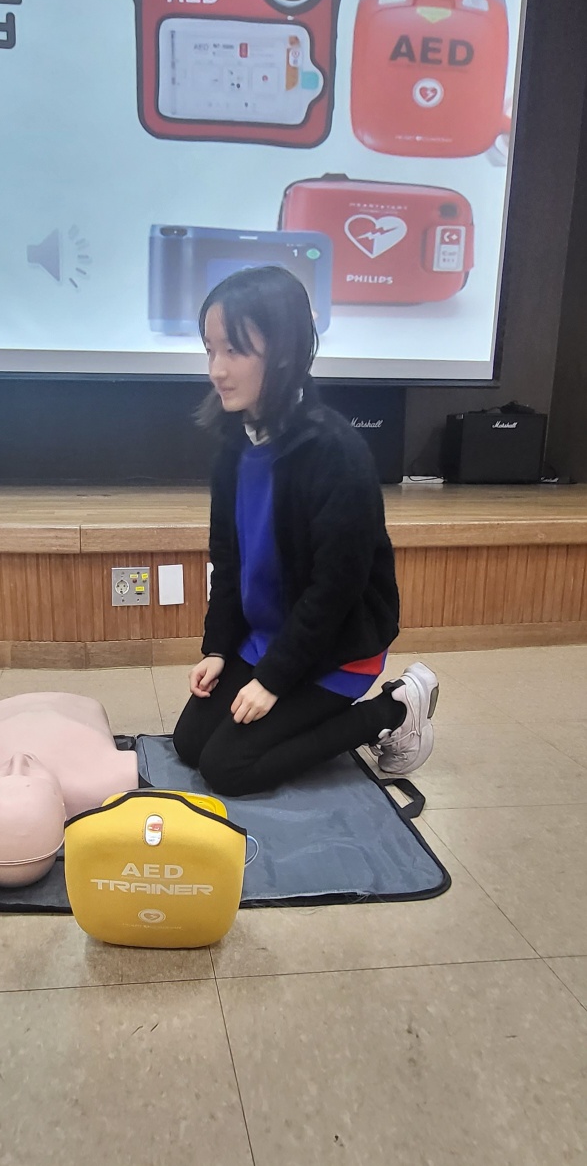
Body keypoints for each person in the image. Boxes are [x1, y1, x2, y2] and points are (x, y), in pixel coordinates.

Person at [173, 265, 438, 797]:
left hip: (336, 647)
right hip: (266, 639)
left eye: (234, 351)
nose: (216, 370)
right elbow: (228, 562)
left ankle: (392, 710)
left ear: (283, 352)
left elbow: (334, 590)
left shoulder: (335, 453)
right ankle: (295, 702)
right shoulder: (233, 447)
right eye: (210, 350)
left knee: (228, 768)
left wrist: (273, 680)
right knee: (190, 744)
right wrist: (219, 648)